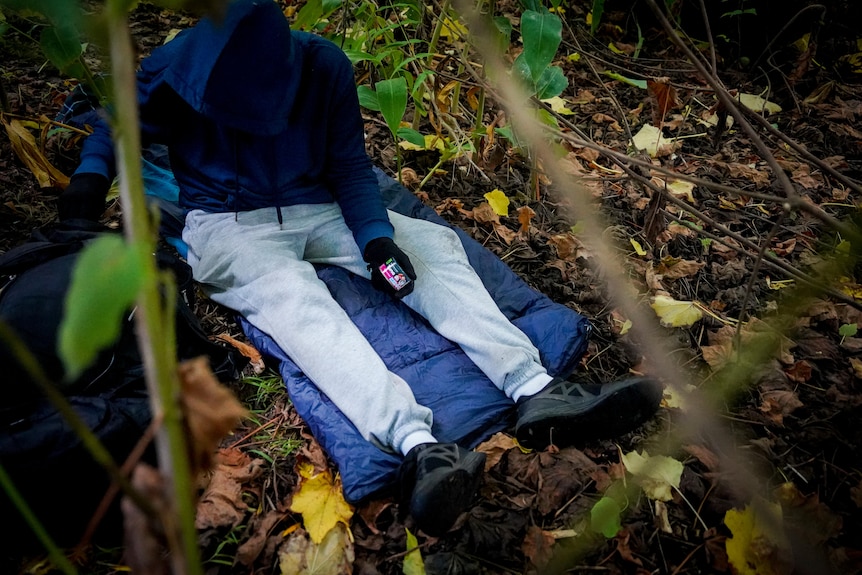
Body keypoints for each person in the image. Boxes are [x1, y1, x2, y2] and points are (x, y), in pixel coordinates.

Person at [59, 0, 662, 536]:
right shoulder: (171, 72)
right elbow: (112, 130)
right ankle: (418, 447)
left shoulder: (322, 67)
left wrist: (376, 239)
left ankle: (535, 388)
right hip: (227, 223)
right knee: (292, 301)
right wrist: (87, 190)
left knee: (428, 247)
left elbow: (349, 166)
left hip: (318, 203)